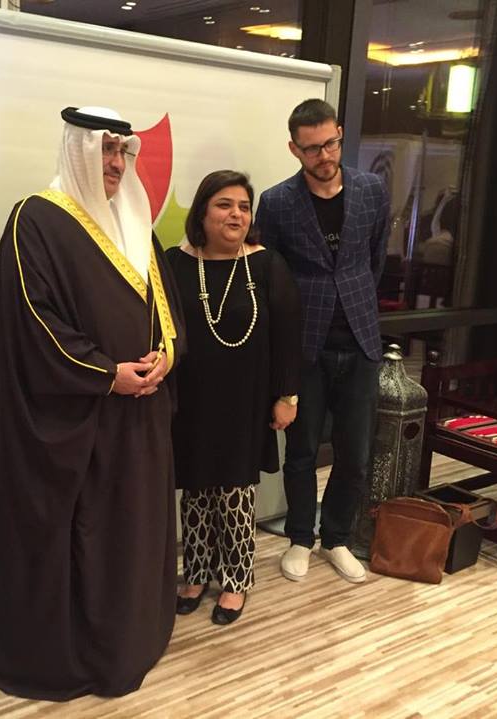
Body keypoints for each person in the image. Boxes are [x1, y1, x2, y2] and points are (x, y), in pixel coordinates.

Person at [0, 106, 185, 699]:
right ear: (78, 149)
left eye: (122, 152)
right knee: (79, 534)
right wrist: (107, 374)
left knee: (128, 532)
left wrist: (165, 355)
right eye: (105, 150)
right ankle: (80, 650)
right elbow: (34, 322)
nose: (116, 164)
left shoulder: (135, 221)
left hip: (139, 415)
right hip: (78, 417)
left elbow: (166, 309)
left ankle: (129, 634)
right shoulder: (35, 219)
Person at [255, 98, 389, 584]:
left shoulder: (372, 189)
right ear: (294, 149)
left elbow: (375, 260)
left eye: (330, 143)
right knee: (302, 451)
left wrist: (355, 300)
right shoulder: (276, 202)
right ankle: (299, 538)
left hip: (361, 340)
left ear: (340, 134)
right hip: (303, 345)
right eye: (312, 149)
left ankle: (336, 538)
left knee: (355, 453)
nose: (324, 155)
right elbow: (269, 274)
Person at [166, 171, 301, 625]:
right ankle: (196, 574)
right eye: (224, 205)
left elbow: (288, 337)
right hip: (191, 400)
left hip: (246, 400)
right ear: (202, 213)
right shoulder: (175, 263)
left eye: (244, 207)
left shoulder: (267, 264)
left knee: (234, 491)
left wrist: (288, 397)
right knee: (196, 490)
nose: (236, 215)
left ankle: (236, 580)